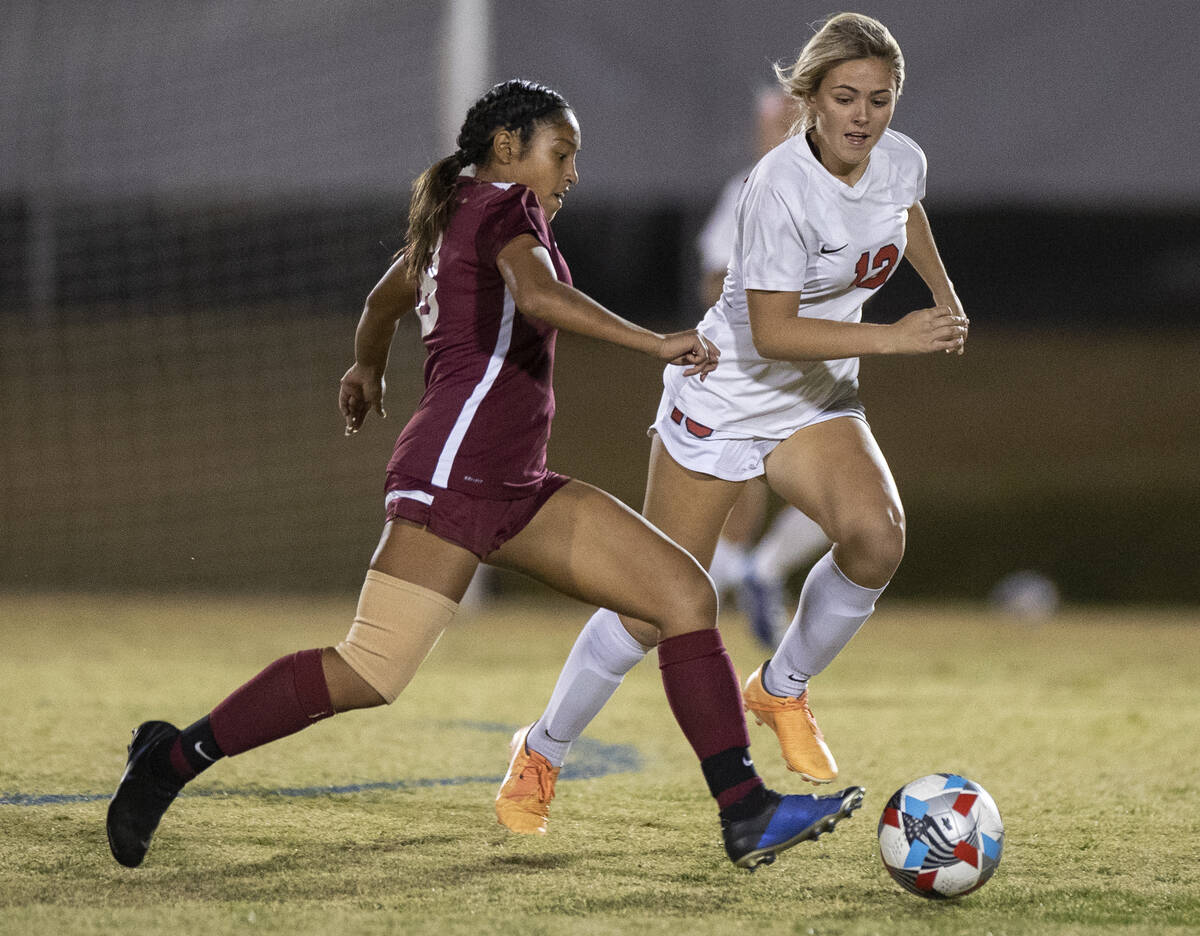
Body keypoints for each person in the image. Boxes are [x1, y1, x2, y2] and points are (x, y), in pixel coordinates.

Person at [105, 78, 863, 872]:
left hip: (514, 484)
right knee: (370, 668)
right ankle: (170, 761)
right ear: (509, 149)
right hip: (454, 476)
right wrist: (654, 342)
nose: (571, 174)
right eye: (561, 153)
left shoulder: (457, 215)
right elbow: (538, 296)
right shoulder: (503, 208)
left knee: (682, 593)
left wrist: (366, 368)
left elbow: (381, 300)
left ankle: (745, 812)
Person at [496, 14, 968, 834]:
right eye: (845, 97)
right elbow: (776, 330)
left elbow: (907, 211)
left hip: (814, 395)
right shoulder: (776, 186)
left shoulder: (899, 158)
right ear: (809, 100)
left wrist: (944, 295)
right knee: (652, 604)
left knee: (877, 536)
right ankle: (541, 749)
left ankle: (780, 689)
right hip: (728, 390)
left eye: (880, 100)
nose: (863, 116)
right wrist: (893, 337)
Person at [698, 87, 830, 647]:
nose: (772, 134)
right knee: (731, 492)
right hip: (752, 367)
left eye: (783, 124)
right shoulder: (749, 190)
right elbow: (714, 278)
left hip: (805, 366)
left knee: (844, 499)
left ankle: (755, 572)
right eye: (769, 124)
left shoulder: (833, 193)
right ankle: (723, 589)